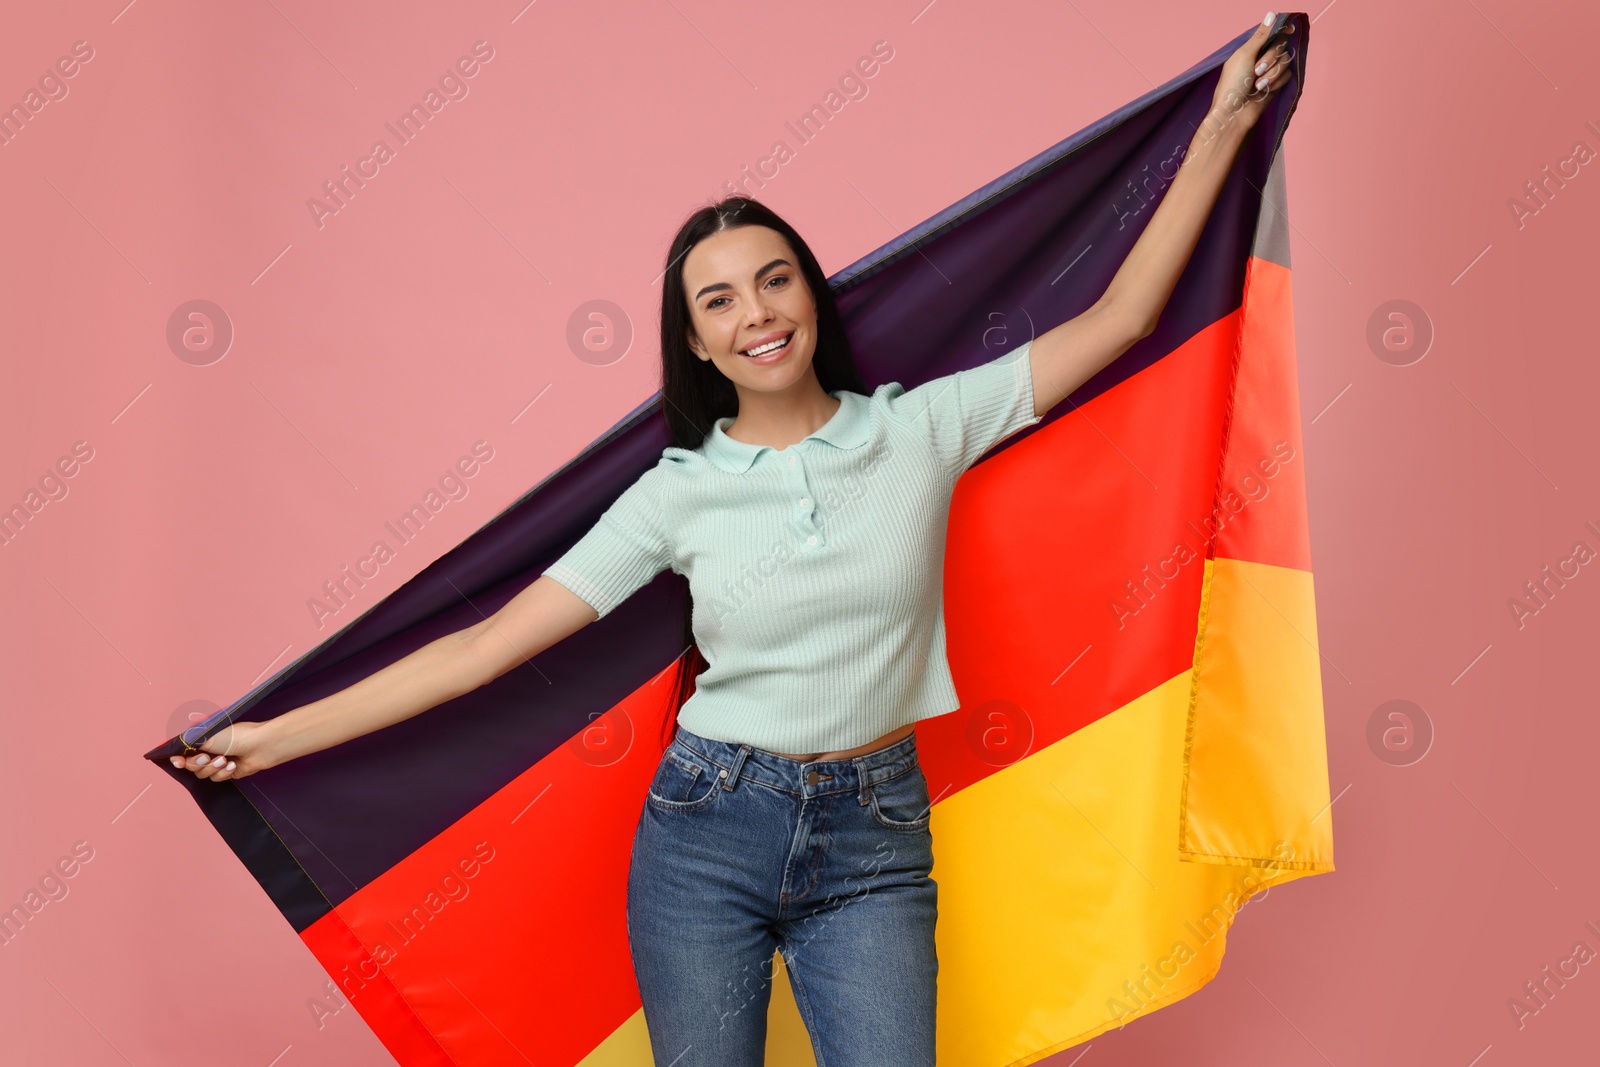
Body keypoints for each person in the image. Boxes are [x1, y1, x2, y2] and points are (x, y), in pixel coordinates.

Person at [169, 19, 1293, 1064]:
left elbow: (1121, 319)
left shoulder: (921, 428)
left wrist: (1224, 125)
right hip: (706, 834)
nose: (755, 312)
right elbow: (483, 649)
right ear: (698, 343)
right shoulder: (678, 495)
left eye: (773, 279)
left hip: (877, 834)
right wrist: (272, 740)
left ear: (809, 295)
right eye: (719, 301)